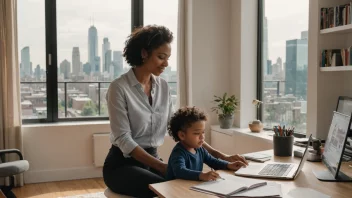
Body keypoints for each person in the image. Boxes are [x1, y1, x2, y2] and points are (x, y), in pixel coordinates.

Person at [103, 25, 248, 197]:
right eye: (161, 57)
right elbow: (124, 139)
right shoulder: (119, 88)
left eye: (168, 58)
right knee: (171, 188)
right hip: (122, 165)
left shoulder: (163, 86)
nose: (166, 63)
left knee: (189, 184)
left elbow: (179, 127)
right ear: (144, 53)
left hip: (153, 160)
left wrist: (222, 156)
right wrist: (164, 167)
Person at [166, 107, 247, 181]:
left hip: (191, 187)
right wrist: (201, 175)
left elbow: (213, 161)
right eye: (197, 133)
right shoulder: (178, 153)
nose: (202, 137)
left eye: (203, 132)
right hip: (176, 189)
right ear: (182, 135)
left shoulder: (199, 149)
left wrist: (229, 165)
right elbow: (180, 171)